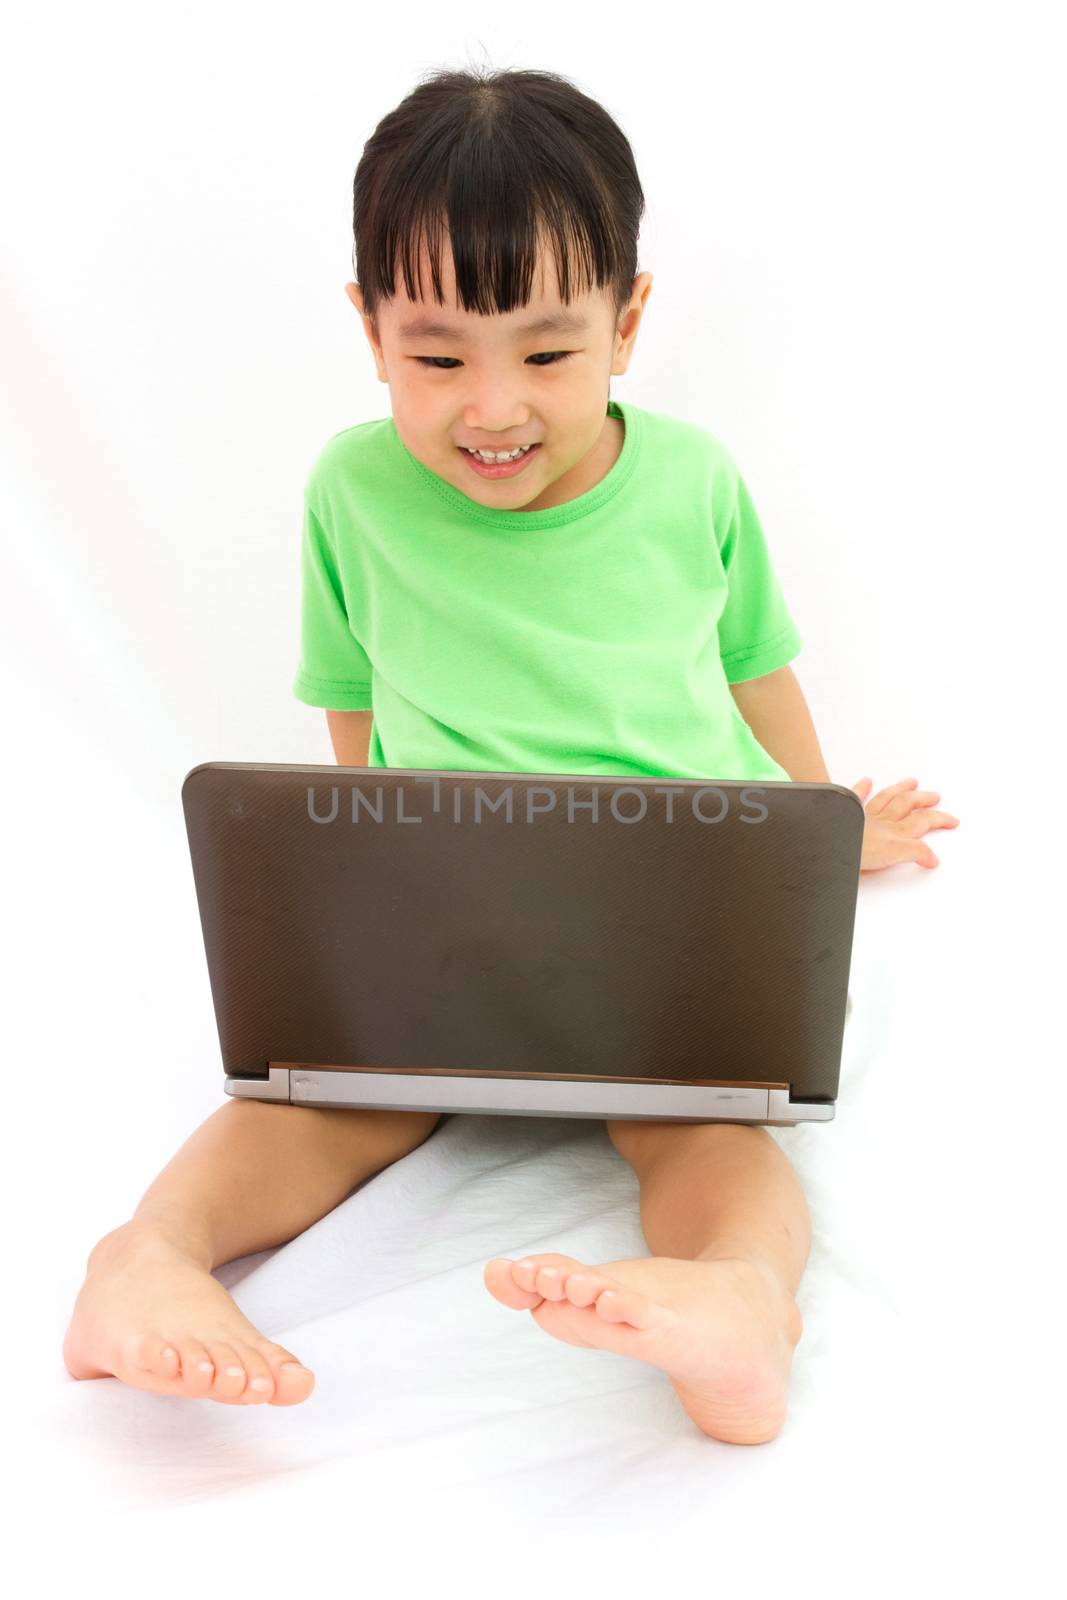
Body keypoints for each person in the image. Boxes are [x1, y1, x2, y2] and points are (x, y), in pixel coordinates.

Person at [62, 65, 959, 1444]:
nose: (493, 409)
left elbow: (753, 668)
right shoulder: (347, 492)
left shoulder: (696, 481)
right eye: (437, 358)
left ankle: (737, 1302)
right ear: (368, 331)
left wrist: (817, 825)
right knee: (319, 1106)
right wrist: (384, 900)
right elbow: (353, 707)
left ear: (630, 320)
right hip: (445, 926)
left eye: (546, 355)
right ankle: (150, 1256)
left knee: (711, 1133)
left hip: (673, 926)